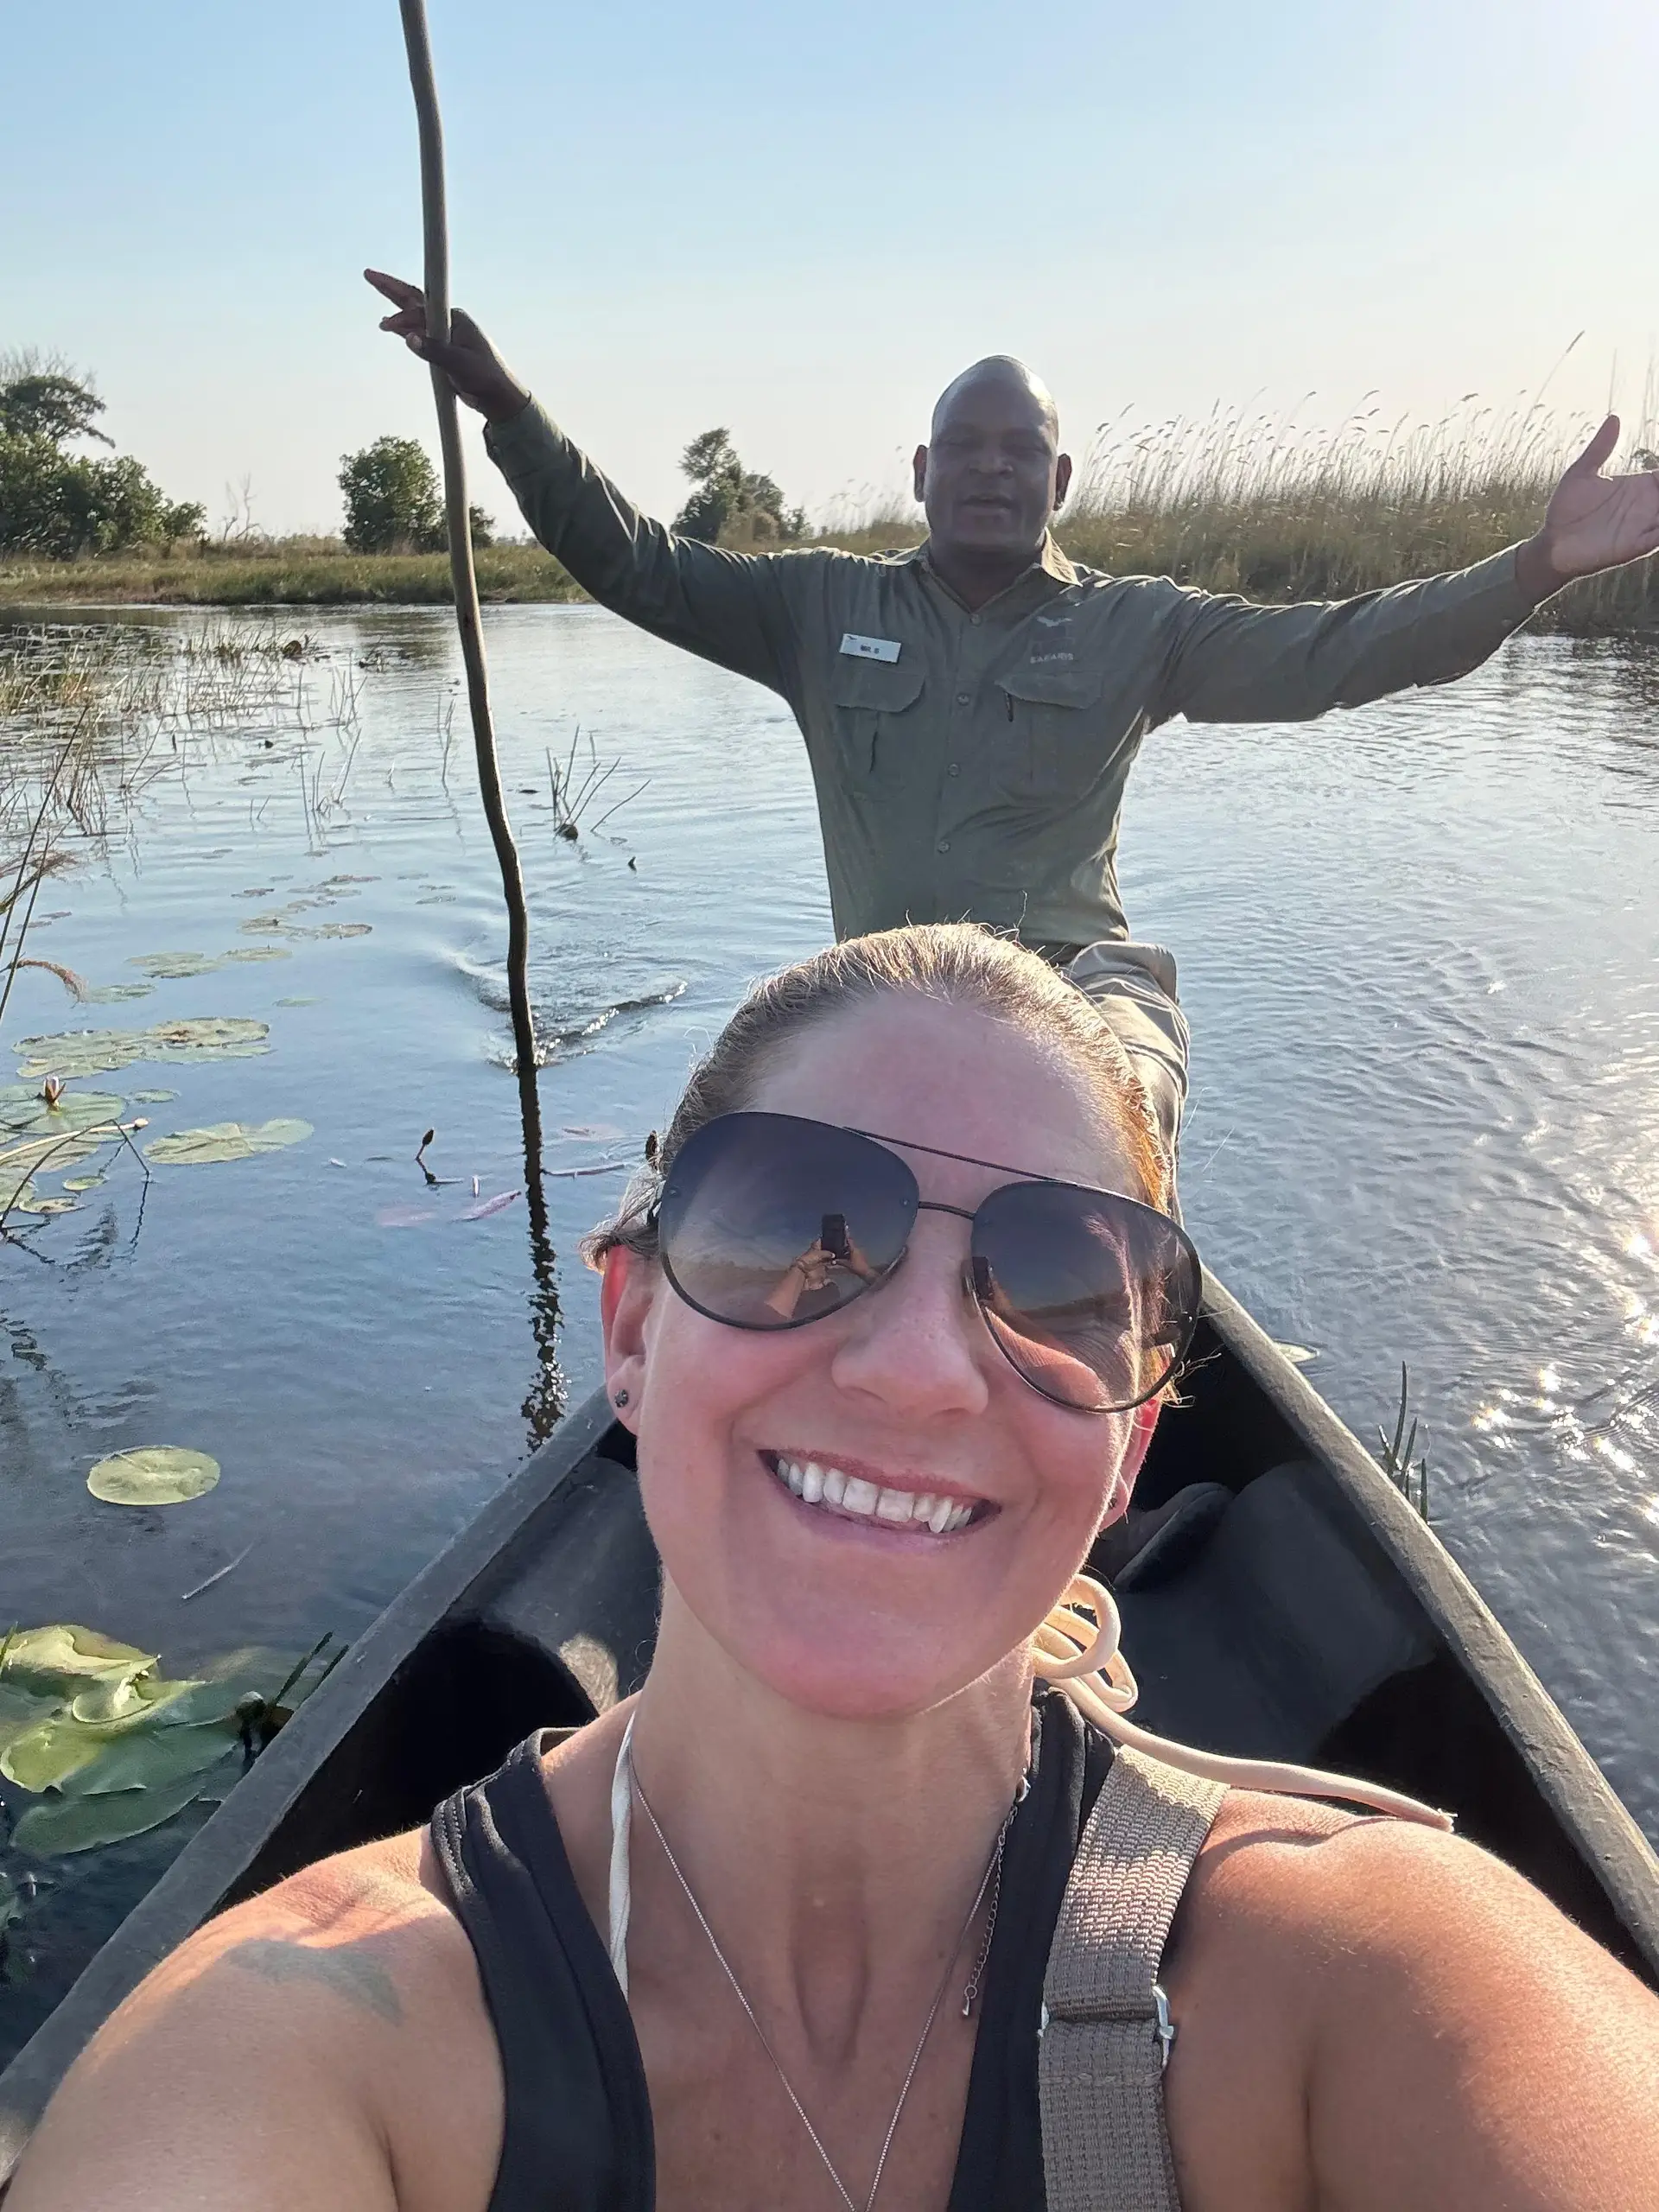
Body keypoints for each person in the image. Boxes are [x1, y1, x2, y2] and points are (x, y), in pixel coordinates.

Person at [12, 924, 1659, 2211]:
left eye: (1057, 1279)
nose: (922, 1372)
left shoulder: (1363, 1982)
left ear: (1132, 1456)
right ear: (635, 1331)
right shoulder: (320, 2048)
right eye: (803, 1221)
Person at [365, 268, 1659, 1176]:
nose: (991, 465)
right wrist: (507, 409)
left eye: (1020, 447)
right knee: (718, 1166)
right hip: (884, 998)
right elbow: (638, 563)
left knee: (1115, 1100)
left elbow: (1340, 652)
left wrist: (1535, 566)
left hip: (1073, 991)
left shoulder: (1140, 625)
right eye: (964, 446)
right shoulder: (814, 604)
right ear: (921, 472)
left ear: (1059, 478)